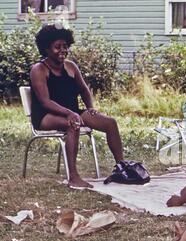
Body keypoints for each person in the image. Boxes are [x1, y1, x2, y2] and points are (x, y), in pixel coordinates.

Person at [30, 24, 124, 189]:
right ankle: (73, 177)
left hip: (73, 112)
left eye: (65, 46)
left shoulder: (71, 66)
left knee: (110, 123)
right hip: (46, 115)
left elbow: (84, 90)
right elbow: (45, 101)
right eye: (57, 47)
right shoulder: (38, 69)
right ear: (46, 48)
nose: (62, 50)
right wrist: (70, 114)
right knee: (73, 124)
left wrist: (90, 107)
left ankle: (122, 168)